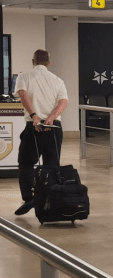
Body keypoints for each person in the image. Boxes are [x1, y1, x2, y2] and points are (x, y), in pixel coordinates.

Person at [14, 49, 69, 216]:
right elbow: (63, 101)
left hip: (34, 126)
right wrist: (51, 117)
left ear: (33, 61)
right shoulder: (58, 80)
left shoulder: (24, 76)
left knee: (26, 163)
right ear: (48, 63)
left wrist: (34, 116)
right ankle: (50, 201)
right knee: (52, 166)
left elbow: (22, 94)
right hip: (54, 127)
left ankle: (28, 198)